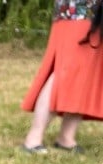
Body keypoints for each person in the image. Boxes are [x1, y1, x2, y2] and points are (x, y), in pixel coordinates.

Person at [21, 0, 103, 153]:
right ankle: (33, 139)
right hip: (78, 12)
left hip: (88, 12)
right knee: (65, 72)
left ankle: (66, 137)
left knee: (84, 74)